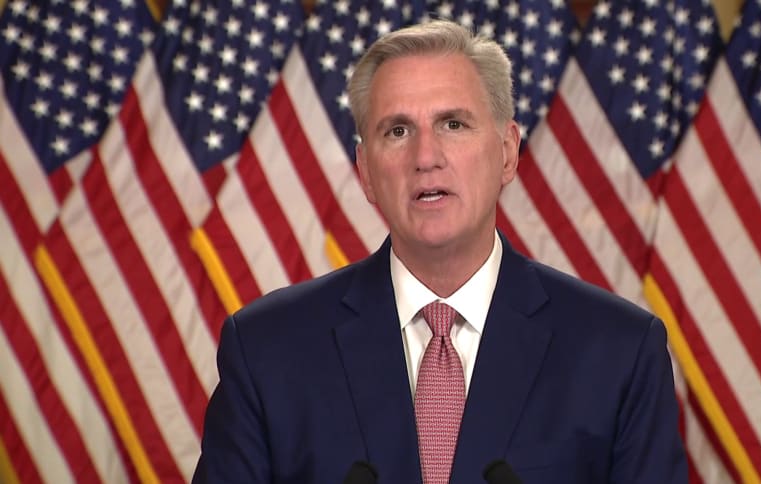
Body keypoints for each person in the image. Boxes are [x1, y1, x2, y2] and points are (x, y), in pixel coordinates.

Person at [193, 19, 687, 484]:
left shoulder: (619, 353)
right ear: (366, 172)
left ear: (507, 152)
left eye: (453, 124)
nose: (426, 157)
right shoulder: (267, 350)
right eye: (397, 131)